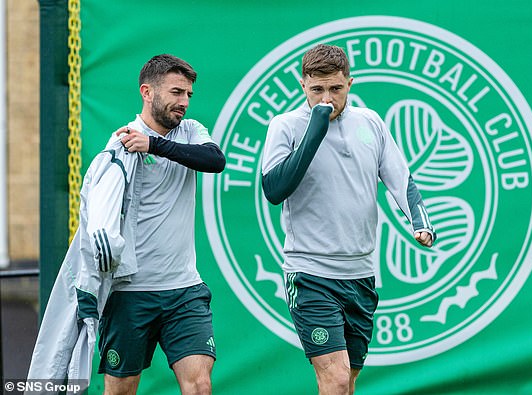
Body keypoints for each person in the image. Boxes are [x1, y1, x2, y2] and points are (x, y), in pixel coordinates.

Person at [260, 44, 436, 394]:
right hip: (310, 272)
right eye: (317, 89)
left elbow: (400, 178)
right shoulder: (286, 126)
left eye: (336, 89)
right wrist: (315, 129)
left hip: (360, 274)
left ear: (350, 84)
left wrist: (420, 222)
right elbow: (274, 189)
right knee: (336, 379)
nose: (327, 97)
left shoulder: (370, 122)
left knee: (348, 381)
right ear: (303, 86)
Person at [96, 54, 225, 394]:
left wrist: (154, 145)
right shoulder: (122, 142)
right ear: (147, 92)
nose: (183, 102)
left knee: (199, 385)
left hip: (184, 290)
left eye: (188, 95)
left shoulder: (191, 131)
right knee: (121, 389)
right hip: (130, 293)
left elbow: (215, 160)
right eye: (176, 92)